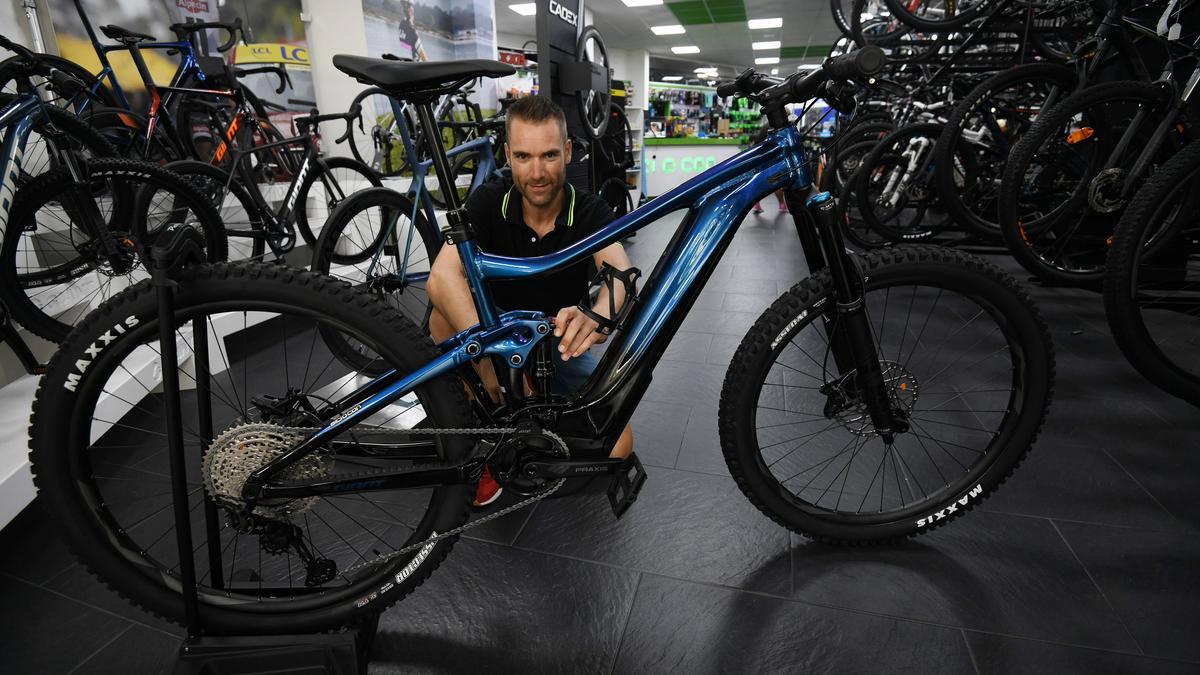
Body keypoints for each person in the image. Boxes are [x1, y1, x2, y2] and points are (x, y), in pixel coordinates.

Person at [426, 95, 635, 506]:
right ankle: (482, 423)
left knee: (617, 448)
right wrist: (490, 361)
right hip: (493, 336)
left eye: (549, 155)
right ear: (508, 154)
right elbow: (441, 278)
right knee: (441, 318)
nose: (536, 173)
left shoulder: (589, 210)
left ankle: (533, 409)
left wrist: (595, 314)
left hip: (554, 341)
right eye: (523, 156)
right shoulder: (489, 200)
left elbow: (621, 277)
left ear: (569, 152)